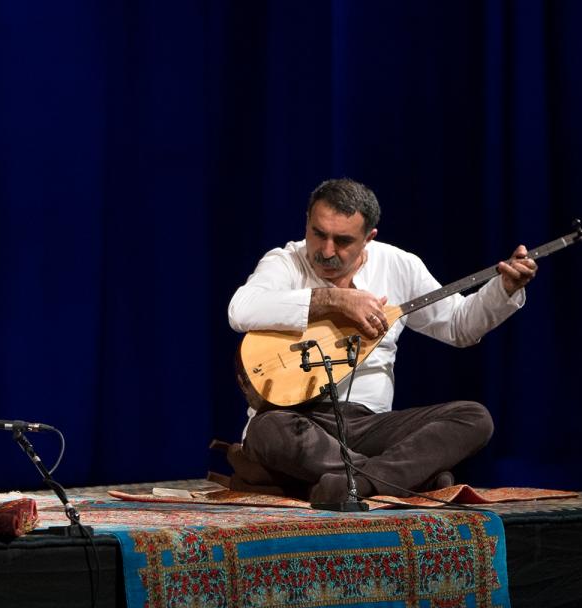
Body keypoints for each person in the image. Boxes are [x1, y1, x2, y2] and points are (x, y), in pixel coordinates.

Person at [227, 178, 536, 503]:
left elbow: (459, 325)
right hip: (300, 420)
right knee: (266, 431)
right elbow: (241, 309)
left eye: (343, 240)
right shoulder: (286, 262)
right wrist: (333, 301)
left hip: (367, 426)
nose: (326, 250)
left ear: (368, 238)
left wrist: (505, 289)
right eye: (318, 234)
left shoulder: (399, 266)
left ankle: (357, 483)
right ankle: (406, 479)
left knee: (474, 418)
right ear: (307, 221)